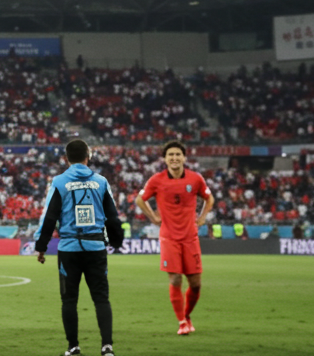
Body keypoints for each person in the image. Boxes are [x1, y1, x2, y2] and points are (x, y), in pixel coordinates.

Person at [34, 138, 124, 356]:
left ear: (66, 159)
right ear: (88, 156)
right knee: (101, 299)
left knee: (69, 300)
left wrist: (41, 246)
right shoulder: (101, 182)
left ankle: (73, 347)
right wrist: (116, 242)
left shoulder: (59, 182)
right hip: (95, 248)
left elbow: (50, 217)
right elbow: (112, 217)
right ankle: (107, 347)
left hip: (69, 250)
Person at [135, 140, 213, 335]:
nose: (174, 158)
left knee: (195, 284)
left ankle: (187, 316)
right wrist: (153, 216)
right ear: (165, 159)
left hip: (190, 237)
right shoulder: (156, 180)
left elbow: (209, 198)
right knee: (175, 279)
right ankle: (181, 322)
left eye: (178, 154)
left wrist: (202, 217)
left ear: (184, 158)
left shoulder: (195, 179)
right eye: (171, 155)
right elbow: (139, 199)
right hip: (169, 237)